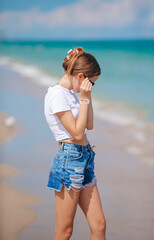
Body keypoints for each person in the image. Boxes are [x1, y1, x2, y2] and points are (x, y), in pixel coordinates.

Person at [44, 47, 106, 240]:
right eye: (91, 83)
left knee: (99, 225)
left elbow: (89, 125)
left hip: (86, 159)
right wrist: (85, 98)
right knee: (65, 231)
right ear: (80, 76)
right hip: (69, 161)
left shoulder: (72, 94)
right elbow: (77, 134)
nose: (91, 88)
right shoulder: (57, 95)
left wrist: (87, 97)